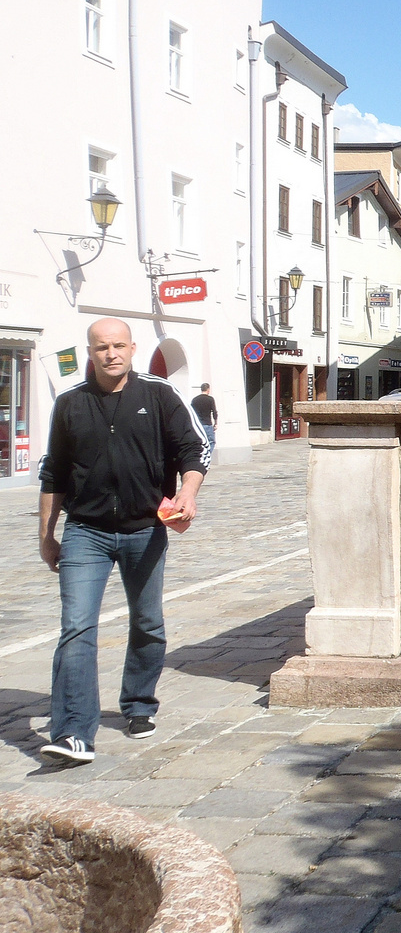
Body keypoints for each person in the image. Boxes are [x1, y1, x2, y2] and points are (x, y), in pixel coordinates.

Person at [36, 319, 210, 766]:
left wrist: (186, 494)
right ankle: (74, 731)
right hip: (85, 532)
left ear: (132, 348)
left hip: (144, 530)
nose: (111, 353)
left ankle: (138, 704)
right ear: (90, 352)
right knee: (76, 627)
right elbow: (53, 472)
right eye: (101, 347)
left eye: (118, 346)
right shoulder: (70, 404)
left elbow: (192, 451)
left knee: (147, 622)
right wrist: (47, 535)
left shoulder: (158, 395)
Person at [190, 383, 218, 453]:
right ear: (208, 389)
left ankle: (200, 456)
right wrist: (216, 423)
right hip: (207, 424)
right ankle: (207, 455)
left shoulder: (195, 400)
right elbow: (214, 412)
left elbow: (191, 412)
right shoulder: (210, 399)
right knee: (211, 442)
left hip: (198, 425)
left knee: (200, 443)